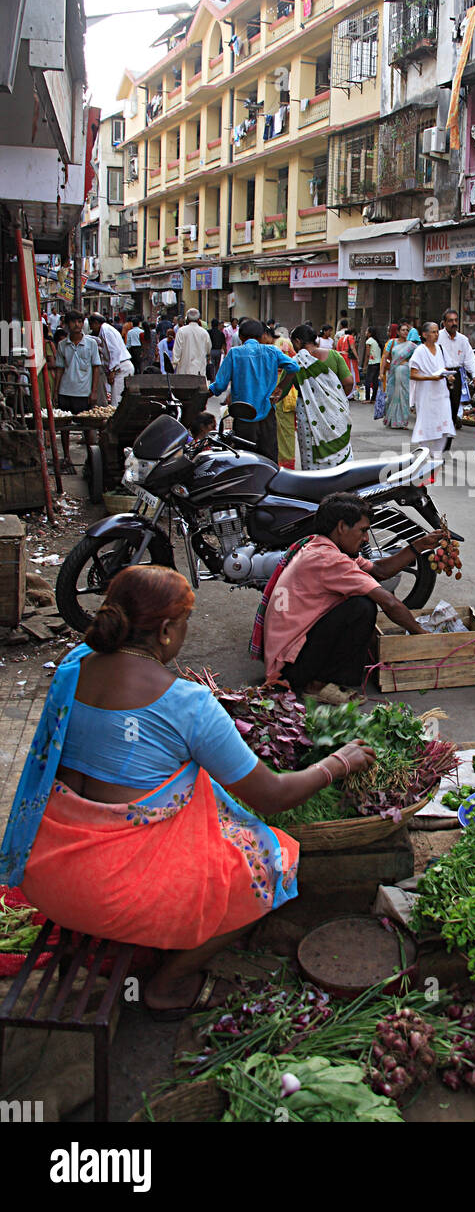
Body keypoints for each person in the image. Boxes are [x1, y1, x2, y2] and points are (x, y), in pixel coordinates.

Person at [0, 566, 375, 1017]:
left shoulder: (71, 668)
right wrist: (338, 763)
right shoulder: (188, 705)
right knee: (272, 861)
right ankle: (167, 984)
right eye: (183, 625)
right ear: (163, 631)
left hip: (49, 877)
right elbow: (272, 795)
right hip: (114, 895)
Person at [259, 493, 445, 701]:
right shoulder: (328, 559)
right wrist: (425, 636)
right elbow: (388, 601)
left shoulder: (322, 545)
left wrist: (418, 546)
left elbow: (379, 570)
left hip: (291, 654)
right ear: (341, 527)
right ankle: (315, 686)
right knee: (362, 607)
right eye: (363, 531)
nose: (366, 538)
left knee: (359, 604)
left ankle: (325, 673)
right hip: (289, 669)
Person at [209, 319, 299, 464]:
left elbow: (219, 386)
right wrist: (280, 387)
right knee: (269, 458)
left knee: (245, 460)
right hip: (267, 413)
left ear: (241, 336)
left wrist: (204, 394)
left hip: (243, 416)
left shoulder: (234, 353)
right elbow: (294, 367)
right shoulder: (272, 351)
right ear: (261, 335)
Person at [288, 323, 353, 469]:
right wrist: (336, 398)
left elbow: (283, 390)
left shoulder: (295, 362)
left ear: (298, 342)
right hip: (335, 411)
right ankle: (341, 478)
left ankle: (315, 484)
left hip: (308, 414)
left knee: (311, 450)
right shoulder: (334, 355)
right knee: (340, 450)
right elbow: (348, 381)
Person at [54, 311, 103, 472]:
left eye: (79, 322)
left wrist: (94, 391)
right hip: (65, 392)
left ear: (83, 324)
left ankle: (91, 459)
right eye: (73, 322)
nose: (77, 325)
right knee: (65, 429)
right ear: (67, 324)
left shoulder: (91, 344)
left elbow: (96, 368)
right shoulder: (62, 345)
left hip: (84, 393)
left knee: (88, 428)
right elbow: (59, 370)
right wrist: (55, 392)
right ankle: (67, 457)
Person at [410, 321, 456, 456]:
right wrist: (430, 378)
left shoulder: (441, 349)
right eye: (433, 332)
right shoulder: (420, 351)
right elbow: (413, 374)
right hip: (426, 394)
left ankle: (437, 454)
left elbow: (445, 367)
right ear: (424, 334)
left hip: (441, 393)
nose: (436, 335)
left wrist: (449, 377)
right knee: (425, 423)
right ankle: (424, 453)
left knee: (444, 422)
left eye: (437, 332)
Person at [439, 308, 475, 427]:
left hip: (456, 374)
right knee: (440, 402)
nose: (454, 323)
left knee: (455, 401)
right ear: (444, 323)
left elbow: (470, 359)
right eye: (450, 321)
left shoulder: (462, 340)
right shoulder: (438, 337)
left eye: (456, 320)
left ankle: (451, 423)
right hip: (441, 374)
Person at [89, 314, 134, 406]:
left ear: (96, 323)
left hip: (121, 367)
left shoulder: (106, 330)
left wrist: (112, 371)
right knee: (117, 398)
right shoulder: (104, 331)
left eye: (92, 326)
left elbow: (114, 350)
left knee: (117, 400)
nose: (92, 329)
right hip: (119, 367)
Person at [381, 320, 414, 430]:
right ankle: (390, 419)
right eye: (403, 330)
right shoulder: (392, 342)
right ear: (398, 332)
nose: (405, 332)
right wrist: (381, 373)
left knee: (403, 397)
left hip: (404, 373)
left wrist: (407, 364)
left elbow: (416, 359)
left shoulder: (411, 346)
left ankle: (402, 421)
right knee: (390, 397)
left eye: (407, 330)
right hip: (392, 373)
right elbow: (385, 357)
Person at [271, 331, 298, 470]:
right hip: (287, 395)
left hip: (276, 392)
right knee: (287, 434)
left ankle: (278, 463)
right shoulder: (287, 348)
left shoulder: (273, 349)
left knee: (276, 433)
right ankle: (287, 464)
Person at [170, 309, 210, 378]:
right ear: (198, 320)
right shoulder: (204, 333)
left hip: (184, 372)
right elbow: (208, 350)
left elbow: (176, 352)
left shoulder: (181, 331)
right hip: (199, 372)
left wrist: (172, 367)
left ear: (187, 319)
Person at [335, 325, 360, 395]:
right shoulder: (351, 337)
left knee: (343, 375)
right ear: (353, 333)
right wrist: (357, 357)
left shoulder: (341, 338)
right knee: (352, 374)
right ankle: (352, 393)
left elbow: (337, 349)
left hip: (342, 357)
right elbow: (352, 347)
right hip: (350, 358)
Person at [363, 326, 382, 403]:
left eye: (366, 331)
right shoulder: (376, 341)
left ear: (369, 333)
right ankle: (373, 399)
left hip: (372, 363)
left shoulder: (369, 341)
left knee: (367, 381)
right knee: (375, 382)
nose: (365, 332)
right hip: (378, 363)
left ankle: (367, 398)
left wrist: (365, 365)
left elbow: (367, 355)